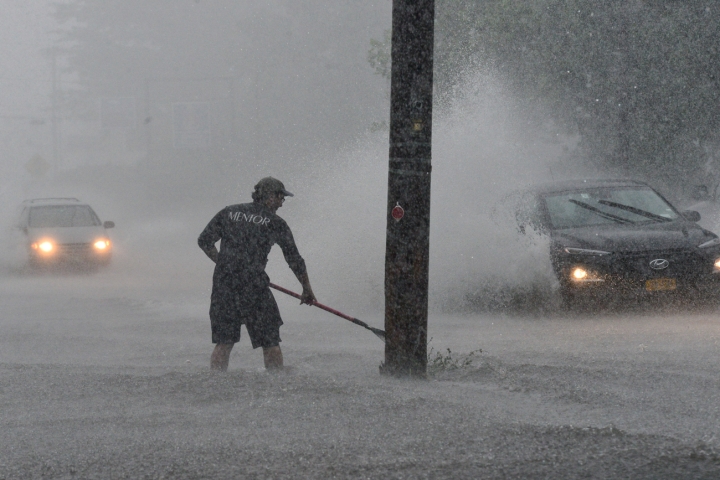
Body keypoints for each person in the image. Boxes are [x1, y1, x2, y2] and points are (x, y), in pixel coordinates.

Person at [198, 177, 316, 372]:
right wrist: (307, 289)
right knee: (270, 340)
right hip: (254, 287)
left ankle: (216, 385)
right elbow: (294, 259)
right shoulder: (275, 222)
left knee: (224, 342)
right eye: (280, 198)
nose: (281, 203)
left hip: (224, 284)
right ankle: (276, 384)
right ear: (270, 197)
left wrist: (224, 264)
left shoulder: (229, 212)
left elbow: (204, 241)